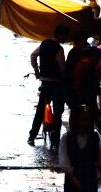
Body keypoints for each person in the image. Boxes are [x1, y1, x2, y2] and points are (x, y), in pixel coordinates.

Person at [28, 22, 72, 150]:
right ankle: (55, 142)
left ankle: (32, 136)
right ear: (60, 35)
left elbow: (33, 55)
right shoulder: (59, 49)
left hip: (45, 83)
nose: (66, 39)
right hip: (56, 84)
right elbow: (62, 67)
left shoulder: (44, 43)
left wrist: (37, 71)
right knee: (58, 112)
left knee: (40, 110)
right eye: (65, 36)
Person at [64, 32, 101, 111]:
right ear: (78, 41)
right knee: (78, 111)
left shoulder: (83, 52)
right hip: (78, 89)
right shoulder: (75, 53)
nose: (85, 43)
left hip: (81, 89)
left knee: (79, 110)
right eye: (83, 41)